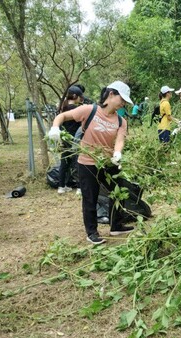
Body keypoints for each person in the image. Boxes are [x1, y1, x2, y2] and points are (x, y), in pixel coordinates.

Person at [48, 81, 135, 245]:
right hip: (87, 162)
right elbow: (62, 116)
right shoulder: (90, 110)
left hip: (108, 162)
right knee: (90, 197)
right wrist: (54, 127)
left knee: (118, 191)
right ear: (111, 95)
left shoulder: (121, 121)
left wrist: (117, 152)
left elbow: (120, 140)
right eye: (121, 99)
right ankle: (92, 232)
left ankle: (116, 225)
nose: (123, 103)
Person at [57, 85, 84, 194]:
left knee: (64, 163)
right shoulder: (76, 110)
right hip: (74, 139)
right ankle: (79, 187)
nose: (80, 99)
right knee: (77, 162)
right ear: (74, 96)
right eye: (79, 97)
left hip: (64, 138)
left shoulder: (62, 108)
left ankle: (61, 186)